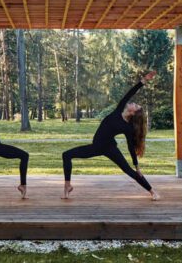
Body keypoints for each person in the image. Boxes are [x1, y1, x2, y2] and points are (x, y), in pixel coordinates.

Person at [61, 70, 159, 200]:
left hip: (110, 148)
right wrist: (144, 81)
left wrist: (137, 166)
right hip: (95, 147)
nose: (132, 103)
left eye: (135, 105)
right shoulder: (119, 109)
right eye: (134, 103)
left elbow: (131, 147)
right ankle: (67, 186)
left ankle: (153, 192)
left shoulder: (128, 127)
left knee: (129, 171)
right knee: (66, 155)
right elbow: (130, 92)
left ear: (133, 113)